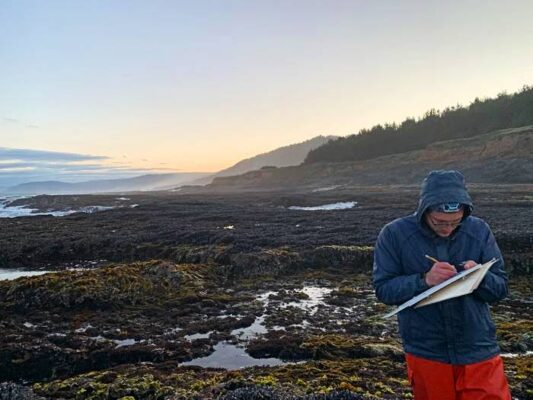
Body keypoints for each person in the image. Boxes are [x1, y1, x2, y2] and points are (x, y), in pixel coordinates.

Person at [372, 170, 511, 400]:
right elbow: (383, 289)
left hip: (478, 348)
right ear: (424, 210)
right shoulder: (394, 234)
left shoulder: (478, 230)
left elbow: (500, 288)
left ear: (465, 212)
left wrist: (479, 276)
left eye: (455, 222)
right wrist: (424, 280)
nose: (448, 228)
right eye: (440, 222)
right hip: (427, 351)